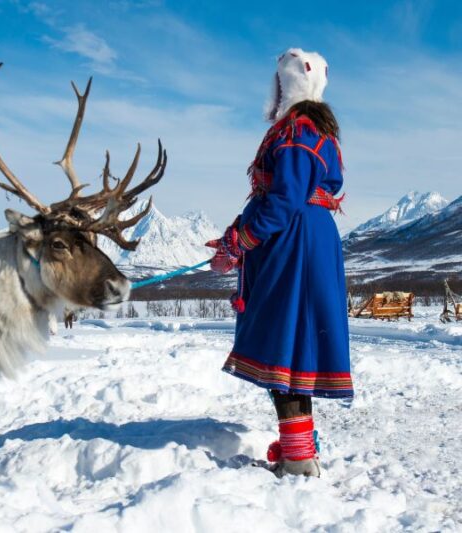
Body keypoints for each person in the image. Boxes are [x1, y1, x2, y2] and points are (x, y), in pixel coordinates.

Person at [207, 48, 353, 478]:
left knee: (284, 345)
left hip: (293, 244)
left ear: (283, 87)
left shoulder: (295, 133)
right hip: (304, 239)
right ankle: (299, 450)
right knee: (292, 347)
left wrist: (240, 242)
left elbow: (283, 201)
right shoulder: (314, 132)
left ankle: (300, 459)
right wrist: (236, 234)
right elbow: (279, 198)